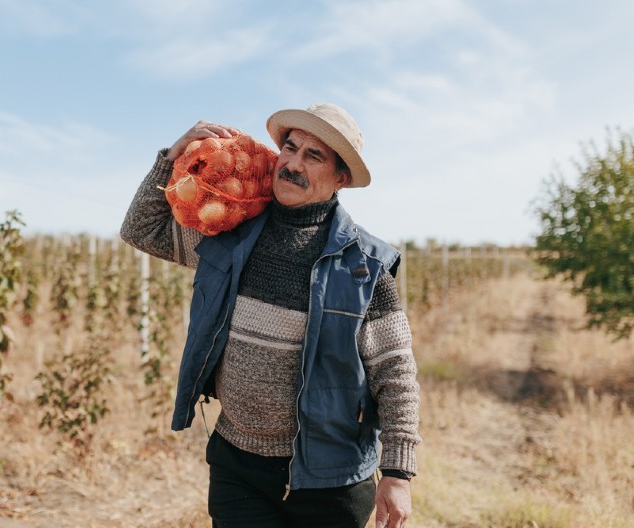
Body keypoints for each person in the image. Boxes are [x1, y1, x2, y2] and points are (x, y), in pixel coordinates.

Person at [121, 103, 421, 528]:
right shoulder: (230, 236)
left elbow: (395, 373)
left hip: (329, 478)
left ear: (340, 178)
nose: (293, 164)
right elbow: (141, 229)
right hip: (238, 465)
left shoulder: (364, 267)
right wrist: (171, 158)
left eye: (313, 156)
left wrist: (397, 473)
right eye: (290, 148)